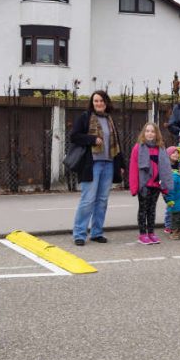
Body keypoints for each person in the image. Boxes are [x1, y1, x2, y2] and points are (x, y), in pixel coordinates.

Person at [70, 90, 125, 246]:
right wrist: (92, 139)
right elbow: (74, 136)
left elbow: (117, 145)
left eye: (101, 101)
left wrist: (121, 165)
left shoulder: (109, 119)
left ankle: (96, 232)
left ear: (106, 102)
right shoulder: (85, 117)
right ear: (92, 103)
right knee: (87, 200)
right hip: (92, 164)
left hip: (108, 163)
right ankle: (79, 234)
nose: (99, 103)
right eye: (96, 101)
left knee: (102, 201)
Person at [129, 122, 174, 245]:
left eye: (152, 131)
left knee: (152, 210)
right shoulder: (138, 148)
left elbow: (165, 168)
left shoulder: (161, 148)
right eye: (147, 131)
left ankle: (151, 233)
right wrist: (134, 187)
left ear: (156, 134)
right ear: (144, 133)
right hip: (143, 184)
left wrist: (165, 186)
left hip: (156, 185)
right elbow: (133, 168)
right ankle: (142, 234)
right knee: (143, 209)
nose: (150, 133)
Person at [163, 145, 180, 234]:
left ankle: (176, 226)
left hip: (178, 190)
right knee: (170, 207)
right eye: (174, 153)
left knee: (177, 208)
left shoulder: (179, 166)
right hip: (168, 190)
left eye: (177, 153)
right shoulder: (165, 166)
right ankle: (168, 226)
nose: (176, 155)